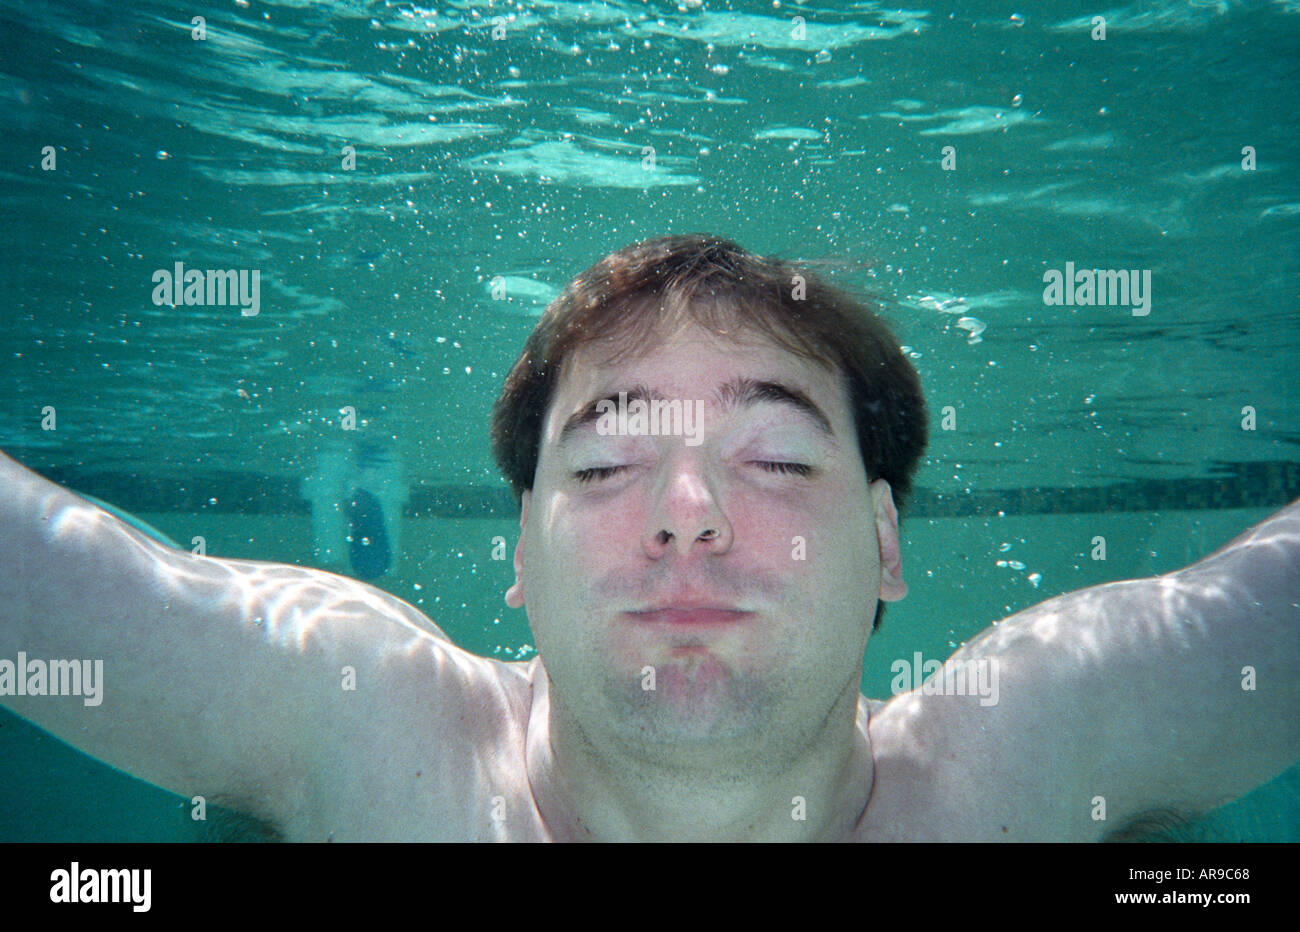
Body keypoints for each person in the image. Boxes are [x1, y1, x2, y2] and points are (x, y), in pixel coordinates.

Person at [1, 234, 1296, 842]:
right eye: (611, 460)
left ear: (888, 548)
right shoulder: (370, 730)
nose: (689, 508)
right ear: (517, 552)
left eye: (777, 457)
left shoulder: (1028, 754)